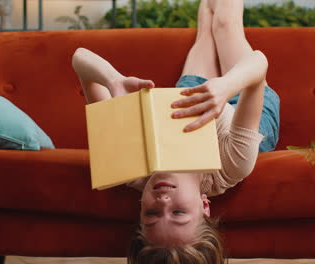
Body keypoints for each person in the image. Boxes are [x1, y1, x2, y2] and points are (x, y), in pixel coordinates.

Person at [71, 0, 280, 262]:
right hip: (248, 107)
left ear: (140, 210)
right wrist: (227, 86)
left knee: (207, 24)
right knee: (224, 24)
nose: (163, 201)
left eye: (151, 215)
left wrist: (113, 80)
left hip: (195, 103)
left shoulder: (133, 166)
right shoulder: (233, 164)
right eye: (179, 213)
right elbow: (258, 64)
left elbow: (79, 58)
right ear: (204, 205)